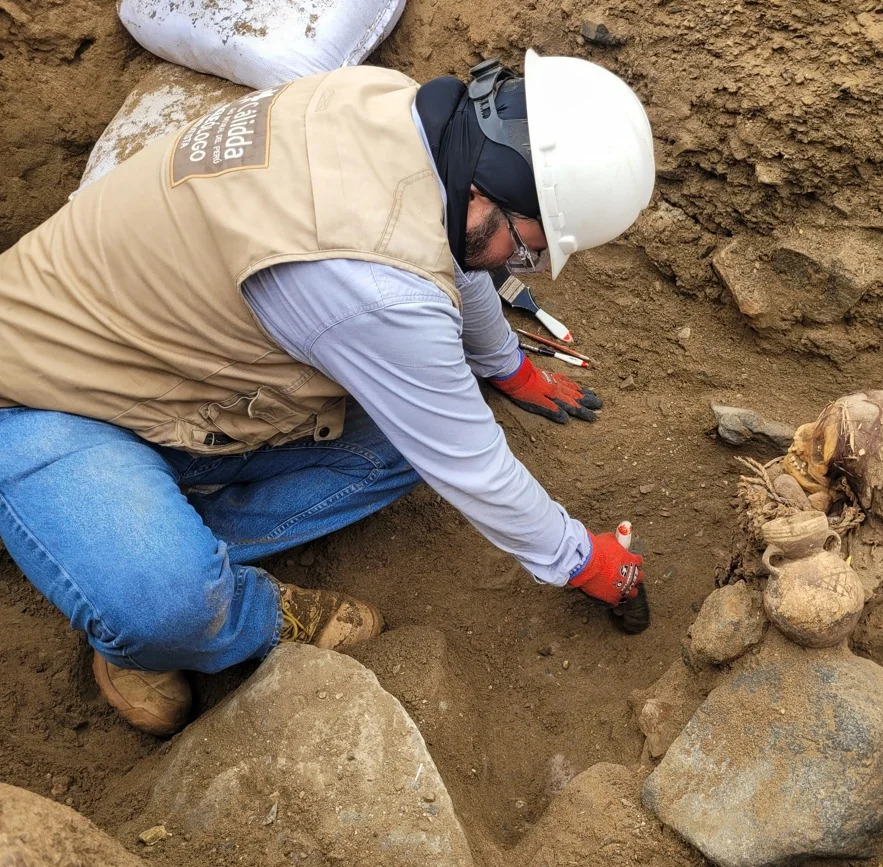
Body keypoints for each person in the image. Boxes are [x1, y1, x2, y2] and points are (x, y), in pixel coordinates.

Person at [0, 50, 656, 736]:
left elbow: (447, 252)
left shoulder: (388, 107)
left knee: (404, 442)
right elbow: (470, 462)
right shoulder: (372, 286)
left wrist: (503, 364)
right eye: (529, 251)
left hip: (169, 367)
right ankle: (203, 602)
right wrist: (580, 560)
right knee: (164, 607)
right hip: (40, 395)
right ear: (488, 194)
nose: (525, 267)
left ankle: (146, 528)